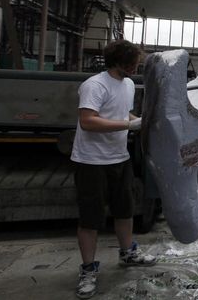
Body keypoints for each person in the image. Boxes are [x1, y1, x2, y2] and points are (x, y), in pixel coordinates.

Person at [71, 40, 156, 299]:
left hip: (119, 158)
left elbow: (122, 113)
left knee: (125, 210)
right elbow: (87, 121)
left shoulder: (128, 84)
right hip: (91, 161)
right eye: (133, 62)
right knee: (90, 218)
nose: (136, 66)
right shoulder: (94, 85)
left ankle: (128, 252)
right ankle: (88, 269)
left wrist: (139, 121)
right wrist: (127, 126)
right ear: (120, 61)